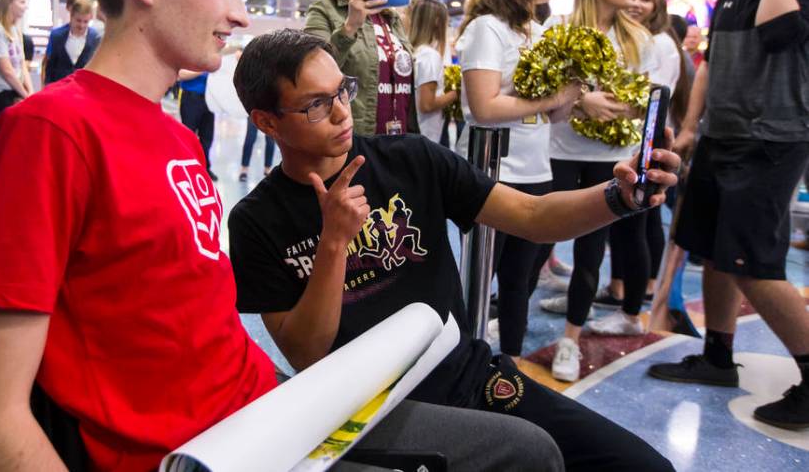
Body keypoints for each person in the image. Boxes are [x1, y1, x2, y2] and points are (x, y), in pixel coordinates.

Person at [0, 0, 554, 472]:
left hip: (267, 407)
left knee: (525, 449)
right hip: (208, 449)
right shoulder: (50, 131)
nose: (241, 14)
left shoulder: (176, 138)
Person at [228, 28, 679, 472]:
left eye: (342, 91)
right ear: (267, 121)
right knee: (531, 452)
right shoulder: (257, 220)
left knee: (641, 465)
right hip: (369, 411)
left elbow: (532, 216)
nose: (342, 112)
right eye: (316, 105)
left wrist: (621, 197)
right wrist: (333, 244)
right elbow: (307, 354)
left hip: (465, 375)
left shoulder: (411, 159)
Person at [647, 0, 809, 430]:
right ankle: (718, 357)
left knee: (753, 264)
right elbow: (713, 66)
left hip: (772, 139)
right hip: (722, 137)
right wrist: (691, 129)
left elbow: (782, 32)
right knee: (711, 251)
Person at [456, 0, 580, 360]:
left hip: (535, 170)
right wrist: (551, 98)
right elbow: (485, 106)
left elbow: (554, 116)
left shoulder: (538, 31)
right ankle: (461, 358)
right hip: (492, 171)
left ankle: (510, 364)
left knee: (520, 281)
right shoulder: (485, 28)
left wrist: (573, 93)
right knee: (478, 280)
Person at [539, 0, 656, 381]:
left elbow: (645, 99)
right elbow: (544, 93)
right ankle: (511, 316)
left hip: (612, 157)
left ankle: (570, 338)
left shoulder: (640, 39)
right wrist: (580, 98)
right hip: (561, 152)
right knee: (537, 241)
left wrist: (607, 103)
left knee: (591, 252)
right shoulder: (560, 31)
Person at [598, 0, 688, 307]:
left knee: (640, 222)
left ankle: (638, 296)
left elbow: (650, 100)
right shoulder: (641, 38)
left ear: (659, 6)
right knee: (633, 222)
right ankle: (623, 288)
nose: (636, 3)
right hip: (635, 142)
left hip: (646, 144)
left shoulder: (660, 43)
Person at [305, 0, 417, 136]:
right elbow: (313, 74)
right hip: (354, 137)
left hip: (400, 137)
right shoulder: (323, 10)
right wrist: (351, 25)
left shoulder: (391, 17)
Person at [409, 0, 457, 143]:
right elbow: (427, 104)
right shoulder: (430, 56)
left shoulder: (414, 51)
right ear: (437, 21)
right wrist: (456, 93)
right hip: (426, 135)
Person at [42, 0, 100, 86]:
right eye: (78, 20)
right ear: (71, 16)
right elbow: (49, 67)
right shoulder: (57, 36)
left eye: (85, 22)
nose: (81, 25)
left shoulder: (96, 38)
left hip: (84, 91)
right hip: (59, 90)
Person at [178, 69, 218, 181]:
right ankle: (186, 168)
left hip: (210, 100)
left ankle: (204, 168)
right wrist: (202, 70)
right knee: (188, 136)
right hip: (191, 98)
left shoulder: (212, 60)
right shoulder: (190, 56)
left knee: (207, 137)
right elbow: (181, 74)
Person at [239, 116, 275, 182]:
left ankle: (267, 168)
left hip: (270, 111)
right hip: (254, 111)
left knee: (270, 139)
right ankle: (244, 168)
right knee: (250, 138)